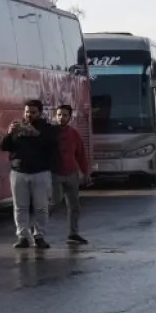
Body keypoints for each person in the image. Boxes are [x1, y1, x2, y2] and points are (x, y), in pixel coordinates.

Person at [0, 99, 59, 249]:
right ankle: (23, 236)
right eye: (27, 112)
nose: (29, 115)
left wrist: (36, 133)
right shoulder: (18, 127)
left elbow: (52, 144)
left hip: (40, 172)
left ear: (40, 113)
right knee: (20, 207)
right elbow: (4, 147)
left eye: (33, 112)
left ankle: (39, 236)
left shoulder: (47, 129)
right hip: (19, 172)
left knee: (41, 207)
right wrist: (9, 133)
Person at [50, 104, 91, 244]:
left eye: (64, 115)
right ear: (55, 116)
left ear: (69, 117)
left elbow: (80, 154)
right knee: (55, 202)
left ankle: (73, 233)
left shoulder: (73, 134)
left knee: (74, 205)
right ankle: (37, 230)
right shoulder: (51, 133)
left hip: (72, 173)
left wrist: (85, 172)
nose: (61, 118)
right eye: (59, 115)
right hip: (55, 173)